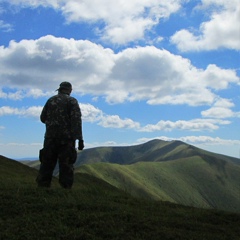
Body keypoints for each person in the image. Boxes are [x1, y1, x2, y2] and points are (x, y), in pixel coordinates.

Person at [36, 82, 84, 189]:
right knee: (66, 165)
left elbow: (42, 118)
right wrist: (80, 139)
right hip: (66, 140)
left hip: (50, 138)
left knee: (47, 163)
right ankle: (65, 190)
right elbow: (76, 121)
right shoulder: (72, 101)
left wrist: (53, 124)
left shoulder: (51, 100)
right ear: (70, 90)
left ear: (59, 89)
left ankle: (42, 187)